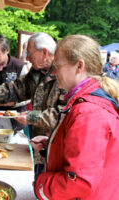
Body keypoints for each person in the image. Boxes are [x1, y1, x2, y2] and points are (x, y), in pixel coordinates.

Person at [0, 32, 67, 178]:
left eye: (30, 53)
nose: (27, 58)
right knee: (39, 180)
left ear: (44, 52)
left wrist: (32, 117)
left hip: (58, 149)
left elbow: (64, 114)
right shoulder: (36, 71)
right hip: (39, 144)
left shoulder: (65, 74)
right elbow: (14, 89)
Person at [33, 35, 119, 200]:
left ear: (79, 66)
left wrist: (40, 184)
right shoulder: (87, 104)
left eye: (58, 66)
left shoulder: (89, 112)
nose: (54, 72)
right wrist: (54, 144)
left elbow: (79, 182)